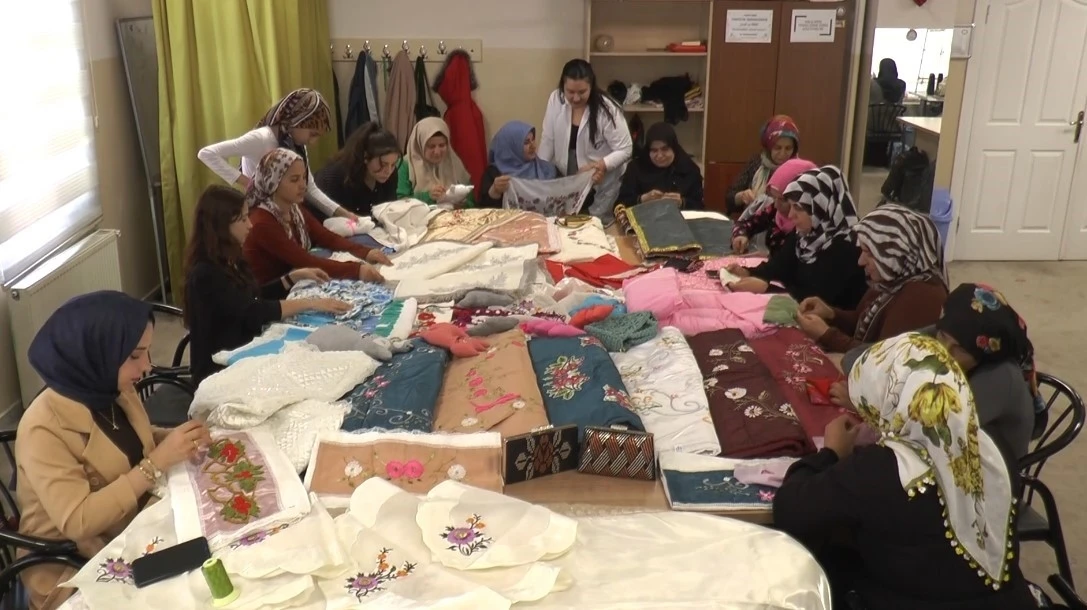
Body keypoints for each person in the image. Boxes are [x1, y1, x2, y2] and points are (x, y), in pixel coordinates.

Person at [774, 333, 1035, 610]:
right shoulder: (993, 448)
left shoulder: (880, 467)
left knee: (814, 562)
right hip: (1009, 603)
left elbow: (791, 512)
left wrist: (831, 453)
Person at [15, 292, 213, 610]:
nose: (147, 366)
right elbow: (78, 520)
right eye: (135, 356)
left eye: (147, 352)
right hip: (70, 562)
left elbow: (130, 438)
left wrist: (175, 438)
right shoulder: (42, 429)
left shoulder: (109, 386)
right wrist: (155, 464)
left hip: (127, 527)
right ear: (95, 352)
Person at [839, 283, 1043, 462]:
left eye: (960, 350)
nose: (943, 353)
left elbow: (930, 433)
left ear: (984, 353)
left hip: (984, 477)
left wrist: (868, 402)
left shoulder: (1000, 376)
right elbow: (856, 358)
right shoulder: (949, 333)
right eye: (943, 337)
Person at [183, 186, 353, 384]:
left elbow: (251, 296)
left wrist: (291, 278)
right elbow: (253, 310)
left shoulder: (231, 257)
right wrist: (310, 303)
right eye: (243, 219)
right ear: (221, 225)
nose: (250, 225)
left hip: (241, 349)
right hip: (220, 370)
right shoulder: (206, 273)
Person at [796, 204, 949, 352]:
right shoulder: (892, 279)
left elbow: (883, 357)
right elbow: (861, 320)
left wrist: (827, 335)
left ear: (895, 253)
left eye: (869, 253)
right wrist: (831, 314)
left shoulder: (922, 295)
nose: (860, 261)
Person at [198, 88, 355, 220]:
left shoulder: (296, 145)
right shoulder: (261, 139)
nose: (313, 142)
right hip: (260, 216)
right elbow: (207, 153)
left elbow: (310, 189)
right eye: (312, 134)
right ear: (296, 121)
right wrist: (248, 183)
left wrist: (347, 215)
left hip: (284, 214)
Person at [726, 166, 867, 309]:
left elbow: (817, 299)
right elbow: (779, 267)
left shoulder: (846, 245)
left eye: (798, 208)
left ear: (821, 207)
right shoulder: (806, 233)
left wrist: (768, 289)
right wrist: (747, 272)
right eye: (791, 206)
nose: (790, 215)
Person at [243, 149, 389, 285]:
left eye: (303, 178)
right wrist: (356, 270)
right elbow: (304, 260)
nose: (303, 185)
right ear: (272, 182)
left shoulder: (294, 209)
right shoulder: (262, 222)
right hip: (270, 290)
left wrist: (365, 252)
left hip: (293, 277)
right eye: (294, 179)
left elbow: (324, 236)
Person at [537, 59, 633, 223]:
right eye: (570, 92)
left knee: (596, 222)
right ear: (563, 86)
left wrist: (600, 165)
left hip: (603, 176)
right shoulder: (556, 99)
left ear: (591, 87)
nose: (575, 98)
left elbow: (626, 149)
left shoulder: (607, 109)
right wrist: (540, 174)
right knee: (565, 219)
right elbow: (548, 139)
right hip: (569, 169)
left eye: (582, 92)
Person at [731, 158, 817, 255]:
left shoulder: (812, 229)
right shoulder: (774, 209)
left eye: (782, 200)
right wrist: (740, 236)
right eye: (774, 197)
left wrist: (769, 257)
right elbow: (746, 223)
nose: (776, 205)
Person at [314, 122, 401, 217]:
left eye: (393, 164)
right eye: (383, 164)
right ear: (365, 156)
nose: (388, 171)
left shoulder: (391, 175)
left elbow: (389, 213)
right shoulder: (334, 178)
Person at [616, 122, 704, 210]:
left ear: (674, 148)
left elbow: (699, 207)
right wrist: (642, 199)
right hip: (646, 217)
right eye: (654, 150)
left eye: (665, 149)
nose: (659, 155)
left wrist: (681, 202)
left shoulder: (690, 170)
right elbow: (619, 206)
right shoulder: (636, 168)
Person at [724, 115, 799, 217]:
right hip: (753, 222)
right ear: (768, 147)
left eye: (788, 148)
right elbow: (729, 199)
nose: (782, 154)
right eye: (777, 148)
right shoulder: (756, 163)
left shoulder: (798, 170)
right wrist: (742, 196)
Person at [396, 116, 476, 207]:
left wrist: (462, 204)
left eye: (442, 145)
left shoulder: (454, 163)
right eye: (431, 146)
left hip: (454, 214)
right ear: (419, 145)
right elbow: (399, 202)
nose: (437, 152)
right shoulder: (406, 165)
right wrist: (428, 196)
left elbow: (472, 203)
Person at [479, 120, 559, 208]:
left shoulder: (547, 170)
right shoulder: (494, 174)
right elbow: (484, 208)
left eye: (533, 140)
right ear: (511, 146)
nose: (533, 146)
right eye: (526, 142)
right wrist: (495, 191)